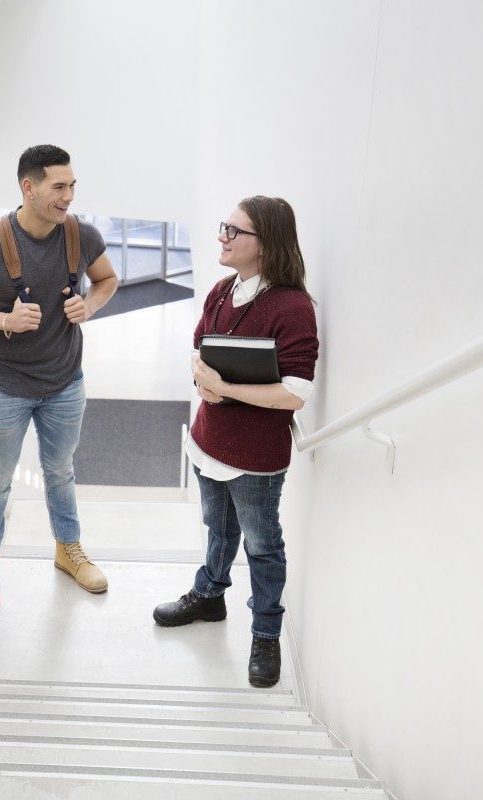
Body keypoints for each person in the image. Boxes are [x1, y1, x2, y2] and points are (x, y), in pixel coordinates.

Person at [0, 144, 118, 612]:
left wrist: (89, 306)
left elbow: (106, 280)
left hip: (65, 384)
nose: (69, 196)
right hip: (5, 388)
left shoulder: (82, 234)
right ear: (29, 187)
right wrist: (3, 321)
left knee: (61, 472)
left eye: (72, 185)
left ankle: (68, 550)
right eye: (59, 187)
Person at [153, 196, 319, 688]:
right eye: (224, 227)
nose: (222, 237)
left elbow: (295, 394)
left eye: (233, 231)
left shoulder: (293, 308)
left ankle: (266, 632)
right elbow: (197, 348)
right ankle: (209, 595)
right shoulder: (223, 290)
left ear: (265, 245)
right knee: (218, 529)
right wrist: (204, 380)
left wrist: (224, 389)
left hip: (256, 457)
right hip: (209, 441)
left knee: (263, 546)